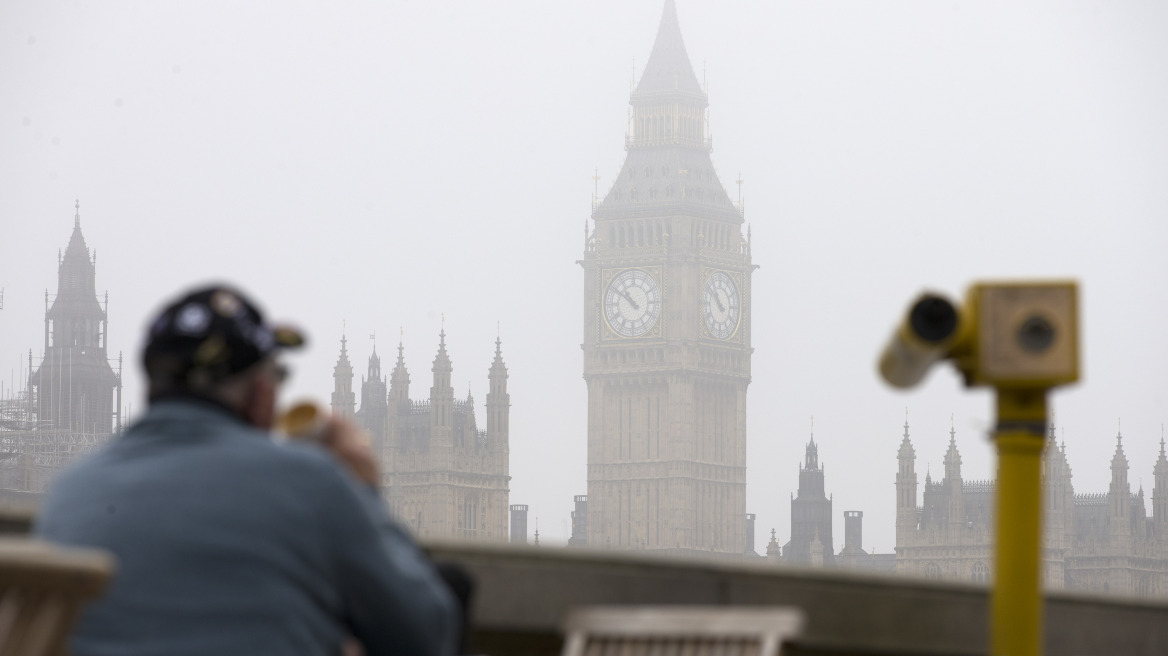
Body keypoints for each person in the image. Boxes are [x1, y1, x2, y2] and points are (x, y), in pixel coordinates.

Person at [35, 285, 459, 656]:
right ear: (260, 393)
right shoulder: (309, 480)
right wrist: (364, 488)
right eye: (277, 375)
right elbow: (424, 637)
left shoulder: (71, 490)